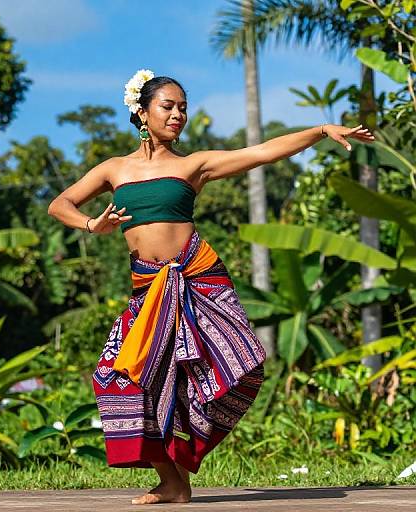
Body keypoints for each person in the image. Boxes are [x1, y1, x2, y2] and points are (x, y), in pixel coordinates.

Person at [47, 69, 375, 505]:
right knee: (117, 379)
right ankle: (172, 481)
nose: (178, 114)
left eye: (183, 107)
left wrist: (319, 130)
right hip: (148, 291)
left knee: (213, 374)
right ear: (141, 112)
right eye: (168, 106)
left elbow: (260, 152)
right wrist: (93, 224)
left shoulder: (192, 165)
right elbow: (59, 204)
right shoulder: (114, 169)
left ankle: (178, 474)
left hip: (197, 281)